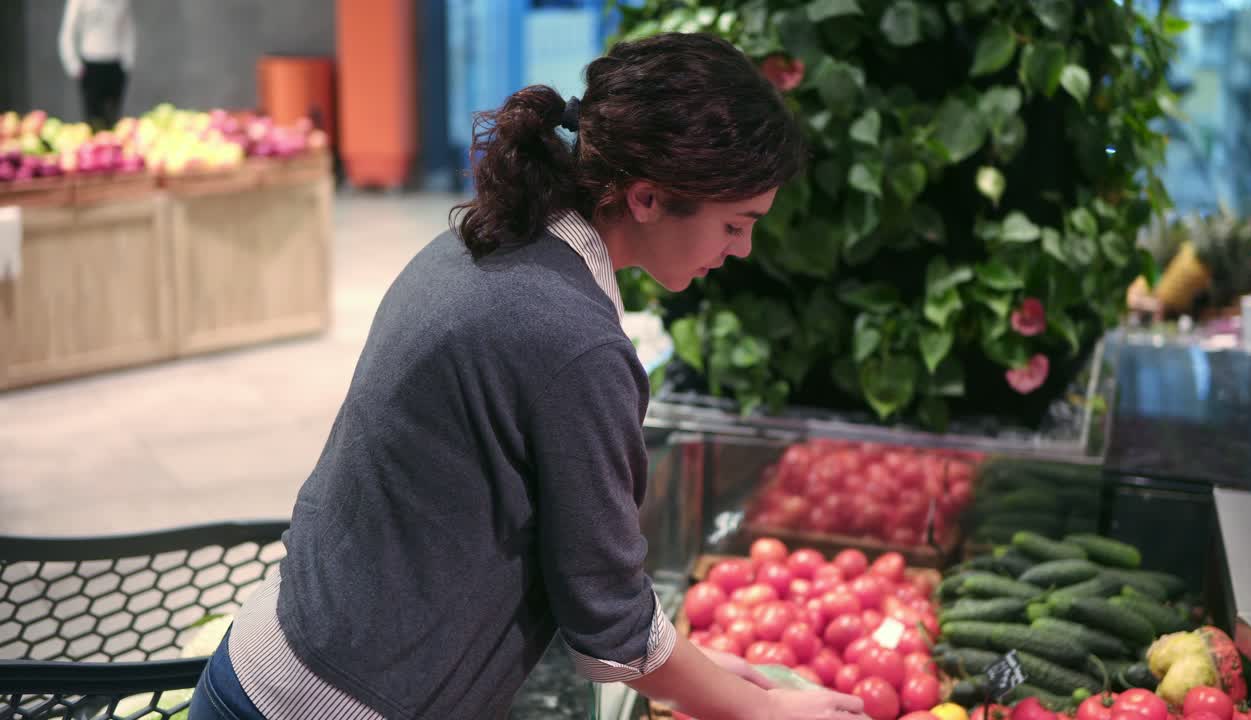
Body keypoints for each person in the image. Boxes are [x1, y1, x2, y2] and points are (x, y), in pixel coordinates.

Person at [189, 32, 869, 720]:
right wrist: (757, 709)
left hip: (270, 664)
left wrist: (697, 670)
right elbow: (611, 622)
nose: (743, 249)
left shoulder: (486, 239)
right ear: (647, 199)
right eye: (736, 224)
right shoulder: (573, 340)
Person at [58, 0, 135, 131]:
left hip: (115, 63)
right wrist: (73, 65)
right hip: (91, 64)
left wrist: (127, 62)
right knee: (93, 119)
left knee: (114, 118)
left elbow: (127, 30)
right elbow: (68, 32)